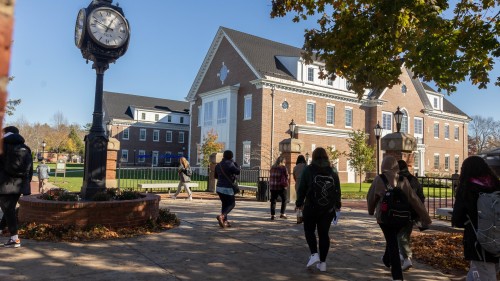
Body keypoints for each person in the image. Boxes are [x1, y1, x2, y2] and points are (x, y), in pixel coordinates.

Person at [367, 155, 431, 281]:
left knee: (392, 243)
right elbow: (414, 199)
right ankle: (386, 259)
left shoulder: (379, 179)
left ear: (383, 165)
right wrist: (425, 217)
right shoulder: (403, 180)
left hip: (384, 218)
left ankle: (397, 276)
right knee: (392, 240)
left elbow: (371, 198)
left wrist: (371, 210)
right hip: (401, 217)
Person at [452, 156, 500, 281]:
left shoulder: (467, 188)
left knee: (485, 275)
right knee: (478, 272)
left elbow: (457, 219)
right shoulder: (496, 185)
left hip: (477, 239)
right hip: (497, 236)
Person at [295, 147, 341, 272]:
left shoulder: (308, 170)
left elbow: (302, 188)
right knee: (324, 234)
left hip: (311, 206)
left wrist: (299, 202)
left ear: (314, 157)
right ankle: (323, 263)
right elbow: (337, 189)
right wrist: (338, 205)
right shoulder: (333, 171)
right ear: (326, 157)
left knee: (309, 230)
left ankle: (314, 254)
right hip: (327, 209)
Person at [0, 126, 33, 248]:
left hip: (4, 184)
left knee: (8, 210)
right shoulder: (26, 148)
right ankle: (2, 228)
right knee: (9, 209)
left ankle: (14, 238)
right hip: (19, 186)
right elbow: (30, 170)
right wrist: (26, 184)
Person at [397, 159, 425, 271]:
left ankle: (406, 258)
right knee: (405, 235)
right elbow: (421, 197)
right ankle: (402, 255)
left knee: (400, 235)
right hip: (413, 213)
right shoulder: (414, 180)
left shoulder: (399, 180)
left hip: (400, 212)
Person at [214, 150, 240, 228]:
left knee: (225, 204)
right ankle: (222, 216)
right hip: (227, 187)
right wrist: (236, 164)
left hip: (219, 188)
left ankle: (224, 221)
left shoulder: (218, 165)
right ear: (231, 156)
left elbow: (215, 176)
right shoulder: (230, 164)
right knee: (232, 204)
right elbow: (238, 172)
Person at [269, 155, 289, 220]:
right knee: (285, 199)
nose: (285, 163)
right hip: (281, 186)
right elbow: (287, 176)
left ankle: (273, 215)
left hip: (273, 186)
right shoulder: (283, 168)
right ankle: (282, 213)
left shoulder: (272, 167)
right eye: (284, 162)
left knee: (273, 201)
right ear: (282, 161)